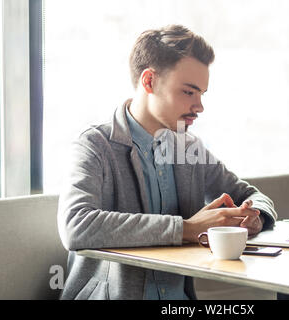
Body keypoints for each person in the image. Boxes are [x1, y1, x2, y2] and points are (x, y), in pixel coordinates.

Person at [57, 24, 277, 300]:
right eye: (188, 92)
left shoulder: (188, 146)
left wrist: (255, 217)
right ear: (149, 81)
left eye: (201, 94)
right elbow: (76, 226)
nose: (199, 107)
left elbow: (253, 196)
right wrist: (187, 228)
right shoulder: (95, 145)